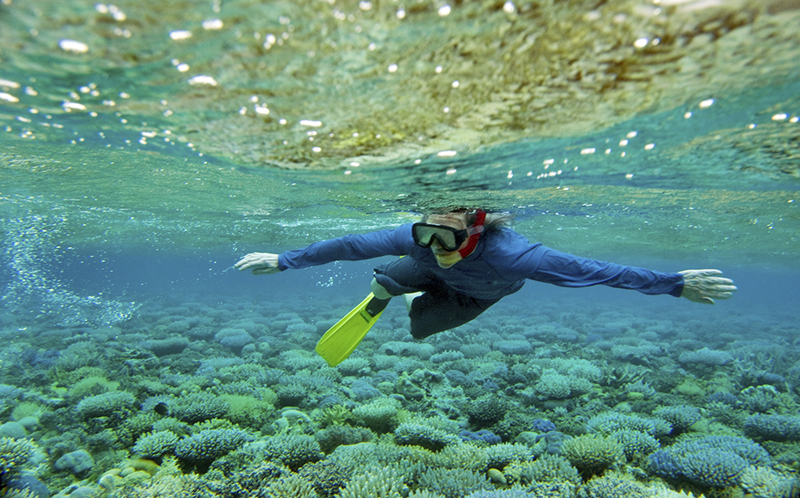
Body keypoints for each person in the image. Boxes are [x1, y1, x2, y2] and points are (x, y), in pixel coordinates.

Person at [235, 209, 737, 340]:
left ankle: (409, 299)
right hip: (437, 278)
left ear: (474, 233)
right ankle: (391, 286)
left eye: (446, 239)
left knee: (420, 328)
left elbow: (599, 272)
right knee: (381, 278)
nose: (435, 247)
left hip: (479, 295)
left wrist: (674, 284)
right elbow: (345, 245)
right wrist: (284, 260)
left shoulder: (515, 256)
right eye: (426, 235)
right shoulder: (418, 240)